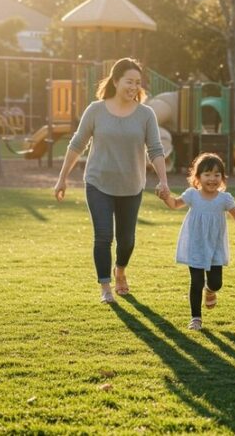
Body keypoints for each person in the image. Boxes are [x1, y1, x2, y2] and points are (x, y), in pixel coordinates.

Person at [53, 57, 170, 304]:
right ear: (116, 81)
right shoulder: (95, 110)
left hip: (131, 184)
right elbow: (77, 144)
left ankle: (120, 271)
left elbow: (156, 149)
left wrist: (163, 181)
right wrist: (62, 178)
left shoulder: (146, 114)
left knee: (126, 240)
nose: (133, 87)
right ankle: (105, 287)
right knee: (103, 236)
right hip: (98, 182)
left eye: (137, 83)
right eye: (129, 81)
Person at [156, 153, 235, 331]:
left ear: (222, 178)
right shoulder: (192, 195)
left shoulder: (224, 199)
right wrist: (166, 197)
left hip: (215, 245)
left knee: (216, 283)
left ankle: (210, 291)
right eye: (207, 174)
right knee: (196, 281)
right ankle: (196, 318)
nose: (212, 179)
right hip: (196, 245)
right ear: (198, 177)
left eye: (217, 175)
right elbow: (175, 204)